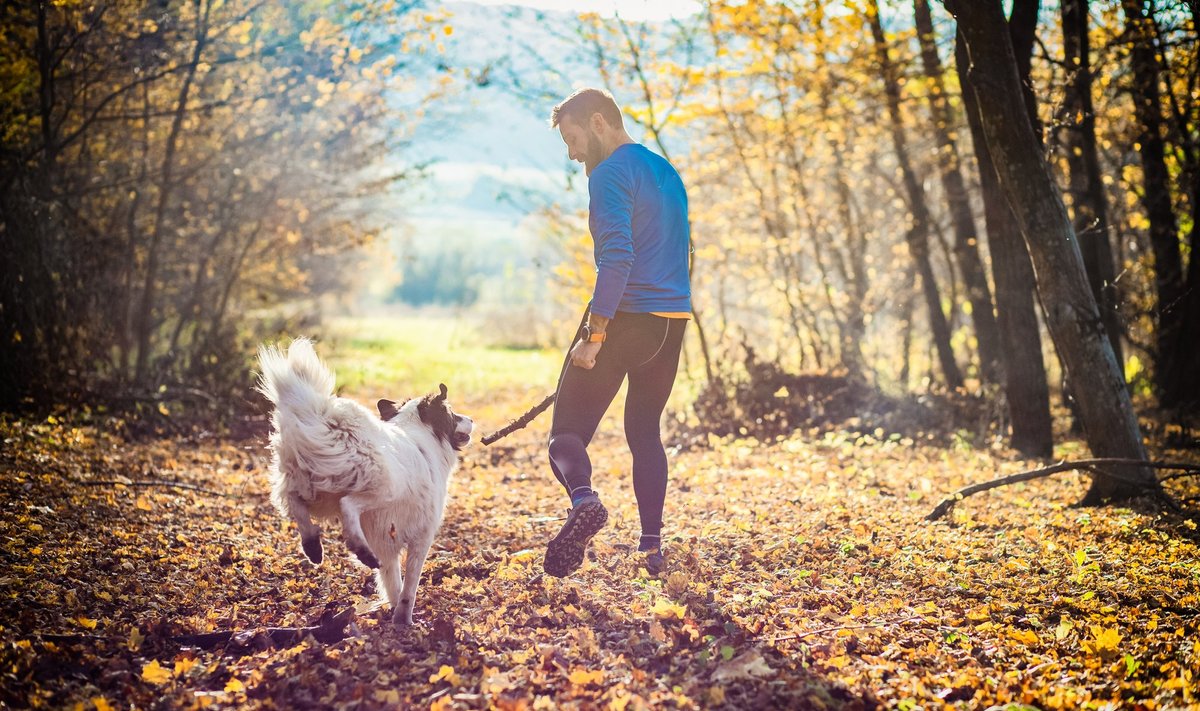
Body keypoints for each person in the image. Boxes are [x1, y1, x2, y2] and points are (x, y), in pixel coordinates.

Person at [542, 87, 691, 578]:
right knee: (644, 432)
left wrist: (596, 331)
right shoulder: (665, 171)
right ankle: (652, 548)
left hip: (626, 317)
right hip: (672, 324)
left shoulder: (609, 174)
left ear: (600, 122)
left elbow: (618, 257)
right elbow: (683, 252)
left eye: (573, 138)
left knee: (565, 434)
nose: (573, 153)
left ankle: (583, 501)